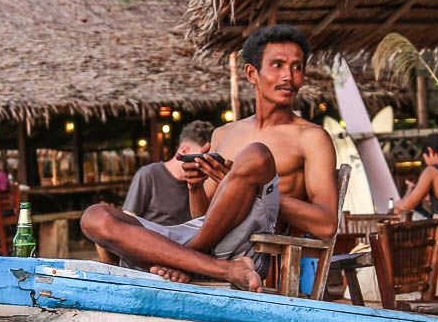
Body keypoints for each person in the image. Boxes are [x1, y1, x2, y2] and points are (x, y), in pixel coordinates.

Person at [81, 25, 338, 290]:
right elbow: (205, 215)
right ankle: (214, 267)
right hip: (207, 246)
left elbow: (327, 224)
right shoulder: (224, 133)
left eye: (297, 67)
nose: (289, 76)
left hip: (252, 246)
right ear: (252, 73)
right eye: (277, 64)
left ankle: (187, 259)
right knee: (95, 217)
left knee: (256, 155)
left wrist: (248, 188)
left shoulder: (311, 137)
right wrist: (195, 186)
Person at [123, 120, 214, 227]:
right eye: (201, 157)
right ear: (184, 151)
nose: (205, 163)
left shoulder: (204, 182)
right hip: (154, 240)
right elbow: (129, 216)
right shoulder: (149, 174)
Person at [394, 132, 438, 251]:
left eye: (425, 158)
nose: (426, 162)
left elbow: (407, 205)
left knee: (402, 212)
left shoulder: (432, 171)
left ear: (430, 151)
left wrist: (396, 205)